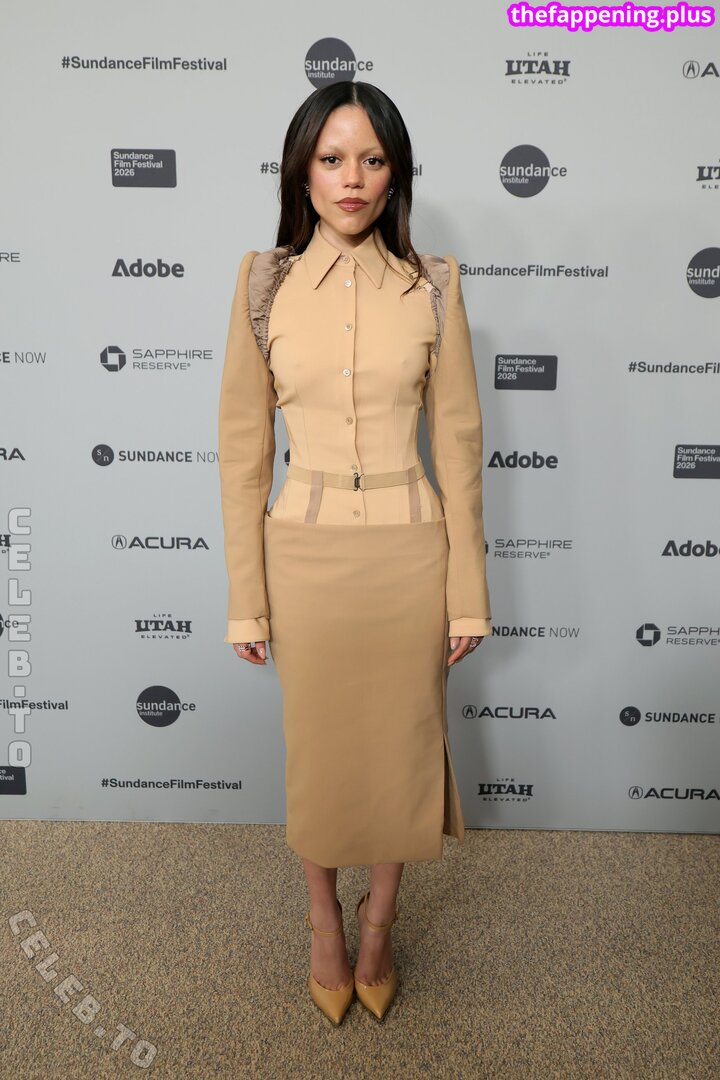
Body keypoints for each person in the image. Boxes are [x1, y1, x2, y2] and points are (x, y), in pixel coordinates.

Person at [217, 80, 492, 1026]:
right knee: (324, 754)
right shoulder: (262, 283)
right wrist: (246, 600)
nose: (352, 179)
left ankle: (378, 926)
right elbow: (242, 452)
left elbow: (459, 447)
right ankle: (323, 924)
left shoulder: (434, 285)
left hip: (413, 554)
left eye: (373, 160)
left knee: (402, 749)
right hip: (303, 554)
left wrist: (468, 593)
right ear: (301, 169)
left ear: (396, 174)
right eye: (332, 158)